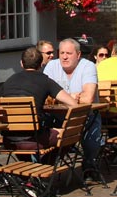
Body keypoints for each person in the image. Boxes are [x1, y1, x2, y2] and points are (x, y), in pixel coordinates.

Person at [0, 46, 77, 148]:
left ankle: (32, 162)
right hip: (35, 139)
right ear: (40, 65)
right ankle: (48, 162)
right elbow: (72, 103)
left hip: (9, 140)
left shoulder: (9, 81)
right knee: (71, 135)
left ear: (21, 63)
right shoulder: (45, 80)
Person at [43, 38, 100, 173]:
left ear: (78, 55)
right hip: (57, 118)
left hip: (84, 118)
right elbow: (45, 98)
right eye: (62, 53)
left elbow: (87, 98)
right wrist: (71, 97)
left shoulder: (88, 66)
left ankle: (89, 167)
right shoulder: (52, 66)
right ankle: (41, 168)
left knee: (91, 129)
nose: (64, 57)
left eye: (68, 53)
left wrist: (59, 98)